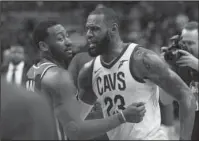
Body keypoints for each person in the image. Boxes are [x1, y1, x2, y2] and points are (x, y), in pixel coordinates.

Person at [77, 7, 196, 140]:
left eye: (95, 29)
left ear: (113, 29)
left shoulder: (141, 59)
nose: (88, 34)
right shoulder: (89, 71)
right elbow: (75, 123)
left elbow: (186, 95)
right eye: (87, 29)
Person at [26, 20, 149, 140]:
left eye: (67, 36)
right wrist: (123, 116)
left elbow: (59, 115)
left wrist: (87, 99)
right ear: (43, 46)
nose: (68, 42)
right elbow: (76, 132)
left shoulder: (33, 71)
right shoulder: (58, 76)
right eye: (60, 39)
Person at [161, 21, 199, 140]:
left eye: (191, 43)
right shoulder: (180, 65)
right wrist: (166, 70)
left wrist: (197, 65)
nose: (186, 46)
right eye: (184, 42)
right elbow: (165, 100)